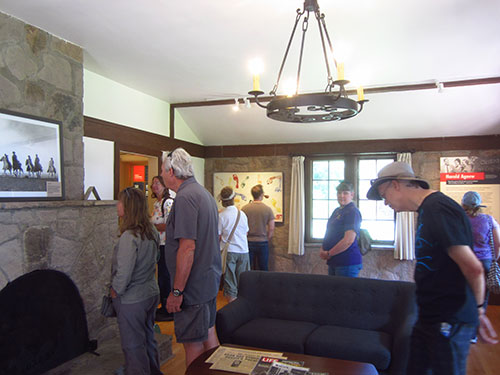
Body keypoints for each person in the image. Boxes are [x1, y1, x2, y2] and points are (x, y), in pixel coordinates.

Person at [366, 161, 498, 375]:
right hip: (430, 318)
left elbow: (473, 267)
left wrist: (479, 311)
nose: (385, 203)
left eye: (384, 195)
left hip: (448, 320)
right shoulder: (427, 210)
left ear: (396, 185)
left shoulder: (438, 209)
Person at [161, 148, 222, 368]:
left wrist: (177, 291)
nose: (161, 175)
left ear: (171, 171)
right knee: (208, 335)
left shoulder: (186, 197)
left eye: (162, 170)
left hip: (193, 287)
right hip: (207, 281)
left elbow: (187, 248)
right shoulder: (202, 193)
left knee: (193, 344)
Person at [111, 187, 163, 375]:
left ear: (129, 207)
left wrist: (115, 290)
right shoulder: (152, 232)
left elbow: (123, 273)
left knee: (133, 345)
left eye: (120, 202)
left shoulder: (129, 236)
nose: (117, 206)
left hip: (132, 299)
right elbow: (155, 260)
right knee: (148, 338)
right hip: (150, 292)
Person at [461, 191, 500, 342]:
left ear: (463, 204)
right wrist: (494, 258)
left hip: (465, 261)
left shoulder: (461, 219)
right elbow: (497, 243)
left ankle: (462, 330)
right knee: (481, 298)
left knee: (465, 294)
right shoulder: (489, 220)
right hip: (485, 260)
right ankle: (474, 334)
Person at [319, 181, 362, 277]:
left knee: (343, 292)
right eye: (339, 193)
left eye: (345, 193)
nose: (341, 196)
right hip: (334, 260)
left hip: (346, 262)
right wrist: (323, 249)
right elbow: (330, 232)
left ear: (352, 195)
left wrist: (329, 253)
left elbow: (348, 240)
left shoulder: (352, 212)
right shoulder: (337, 211)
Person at [218, 186, 250, 303]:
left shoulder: (221, 216)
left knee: (230, 284)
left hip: (229, 252)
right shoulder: (242, 214)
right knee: (243, 283)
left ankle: (233, 313)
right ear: (234, 198)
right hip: (244, 251)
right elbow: (246, 232)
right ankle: (242, 310)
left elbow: (218, 235)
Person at [150, 175, 174, 321]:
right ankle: (163, 306)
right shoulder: (156, 204)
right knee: (162, 276)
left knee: (166, 276)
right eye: (153, 183)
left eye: (157, 183)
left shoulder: (168, 203)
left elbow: (170, 224)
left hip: (167, 245)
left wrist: (154, 227)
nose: (154, 186)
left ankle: (168, 308)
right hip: (159, 245)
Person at [241, 184, 275, 271]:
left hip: (248, 241)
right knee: (263, 268)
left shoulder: (244, 209)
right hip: (262, 242)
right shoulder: (268, 209)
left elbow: (241, 226)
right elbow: (271, 228)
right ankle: (263, 284)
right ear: (261, 194)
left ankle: (249, 284)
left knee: (248, 268)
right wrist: (267, 238)